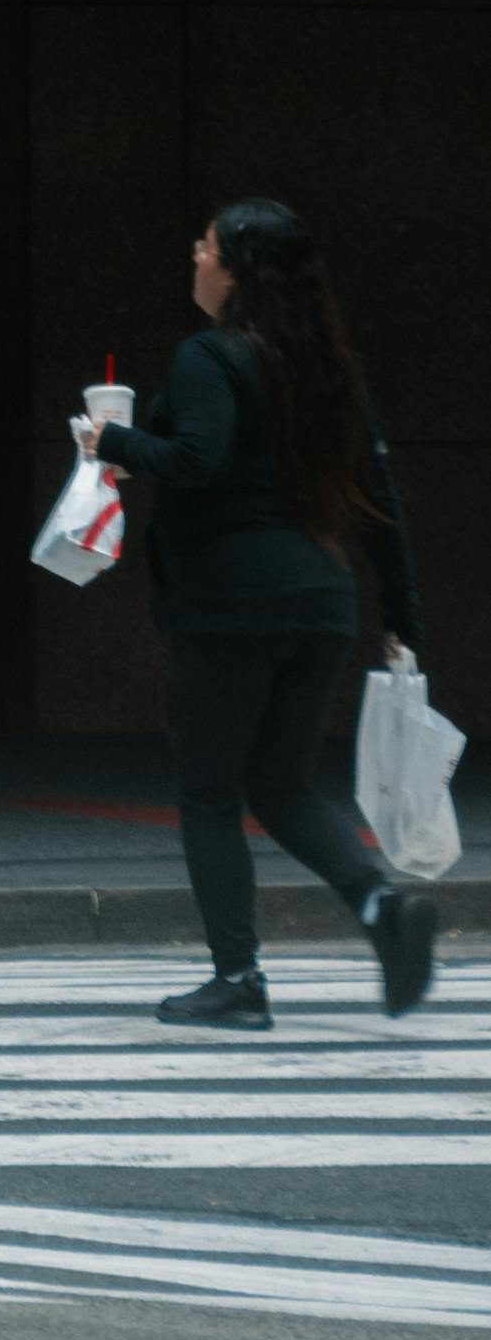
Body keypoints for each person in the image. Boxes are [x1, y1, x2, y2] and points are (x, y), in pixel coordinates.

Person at [82, 193, 438, 1026]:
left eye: (205, 245)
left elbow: (199, 460)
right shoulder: (325, 368)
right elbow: (378, 495)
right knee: (281, 783)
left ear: (236, 268)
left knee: (209, 793)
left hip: (230, 605)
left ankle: (238, 981)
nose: (194, 256)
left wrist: (113, 445)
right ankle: (382, 907)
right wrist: (406, 616)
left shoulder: (210, 354)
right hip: (320, 601)